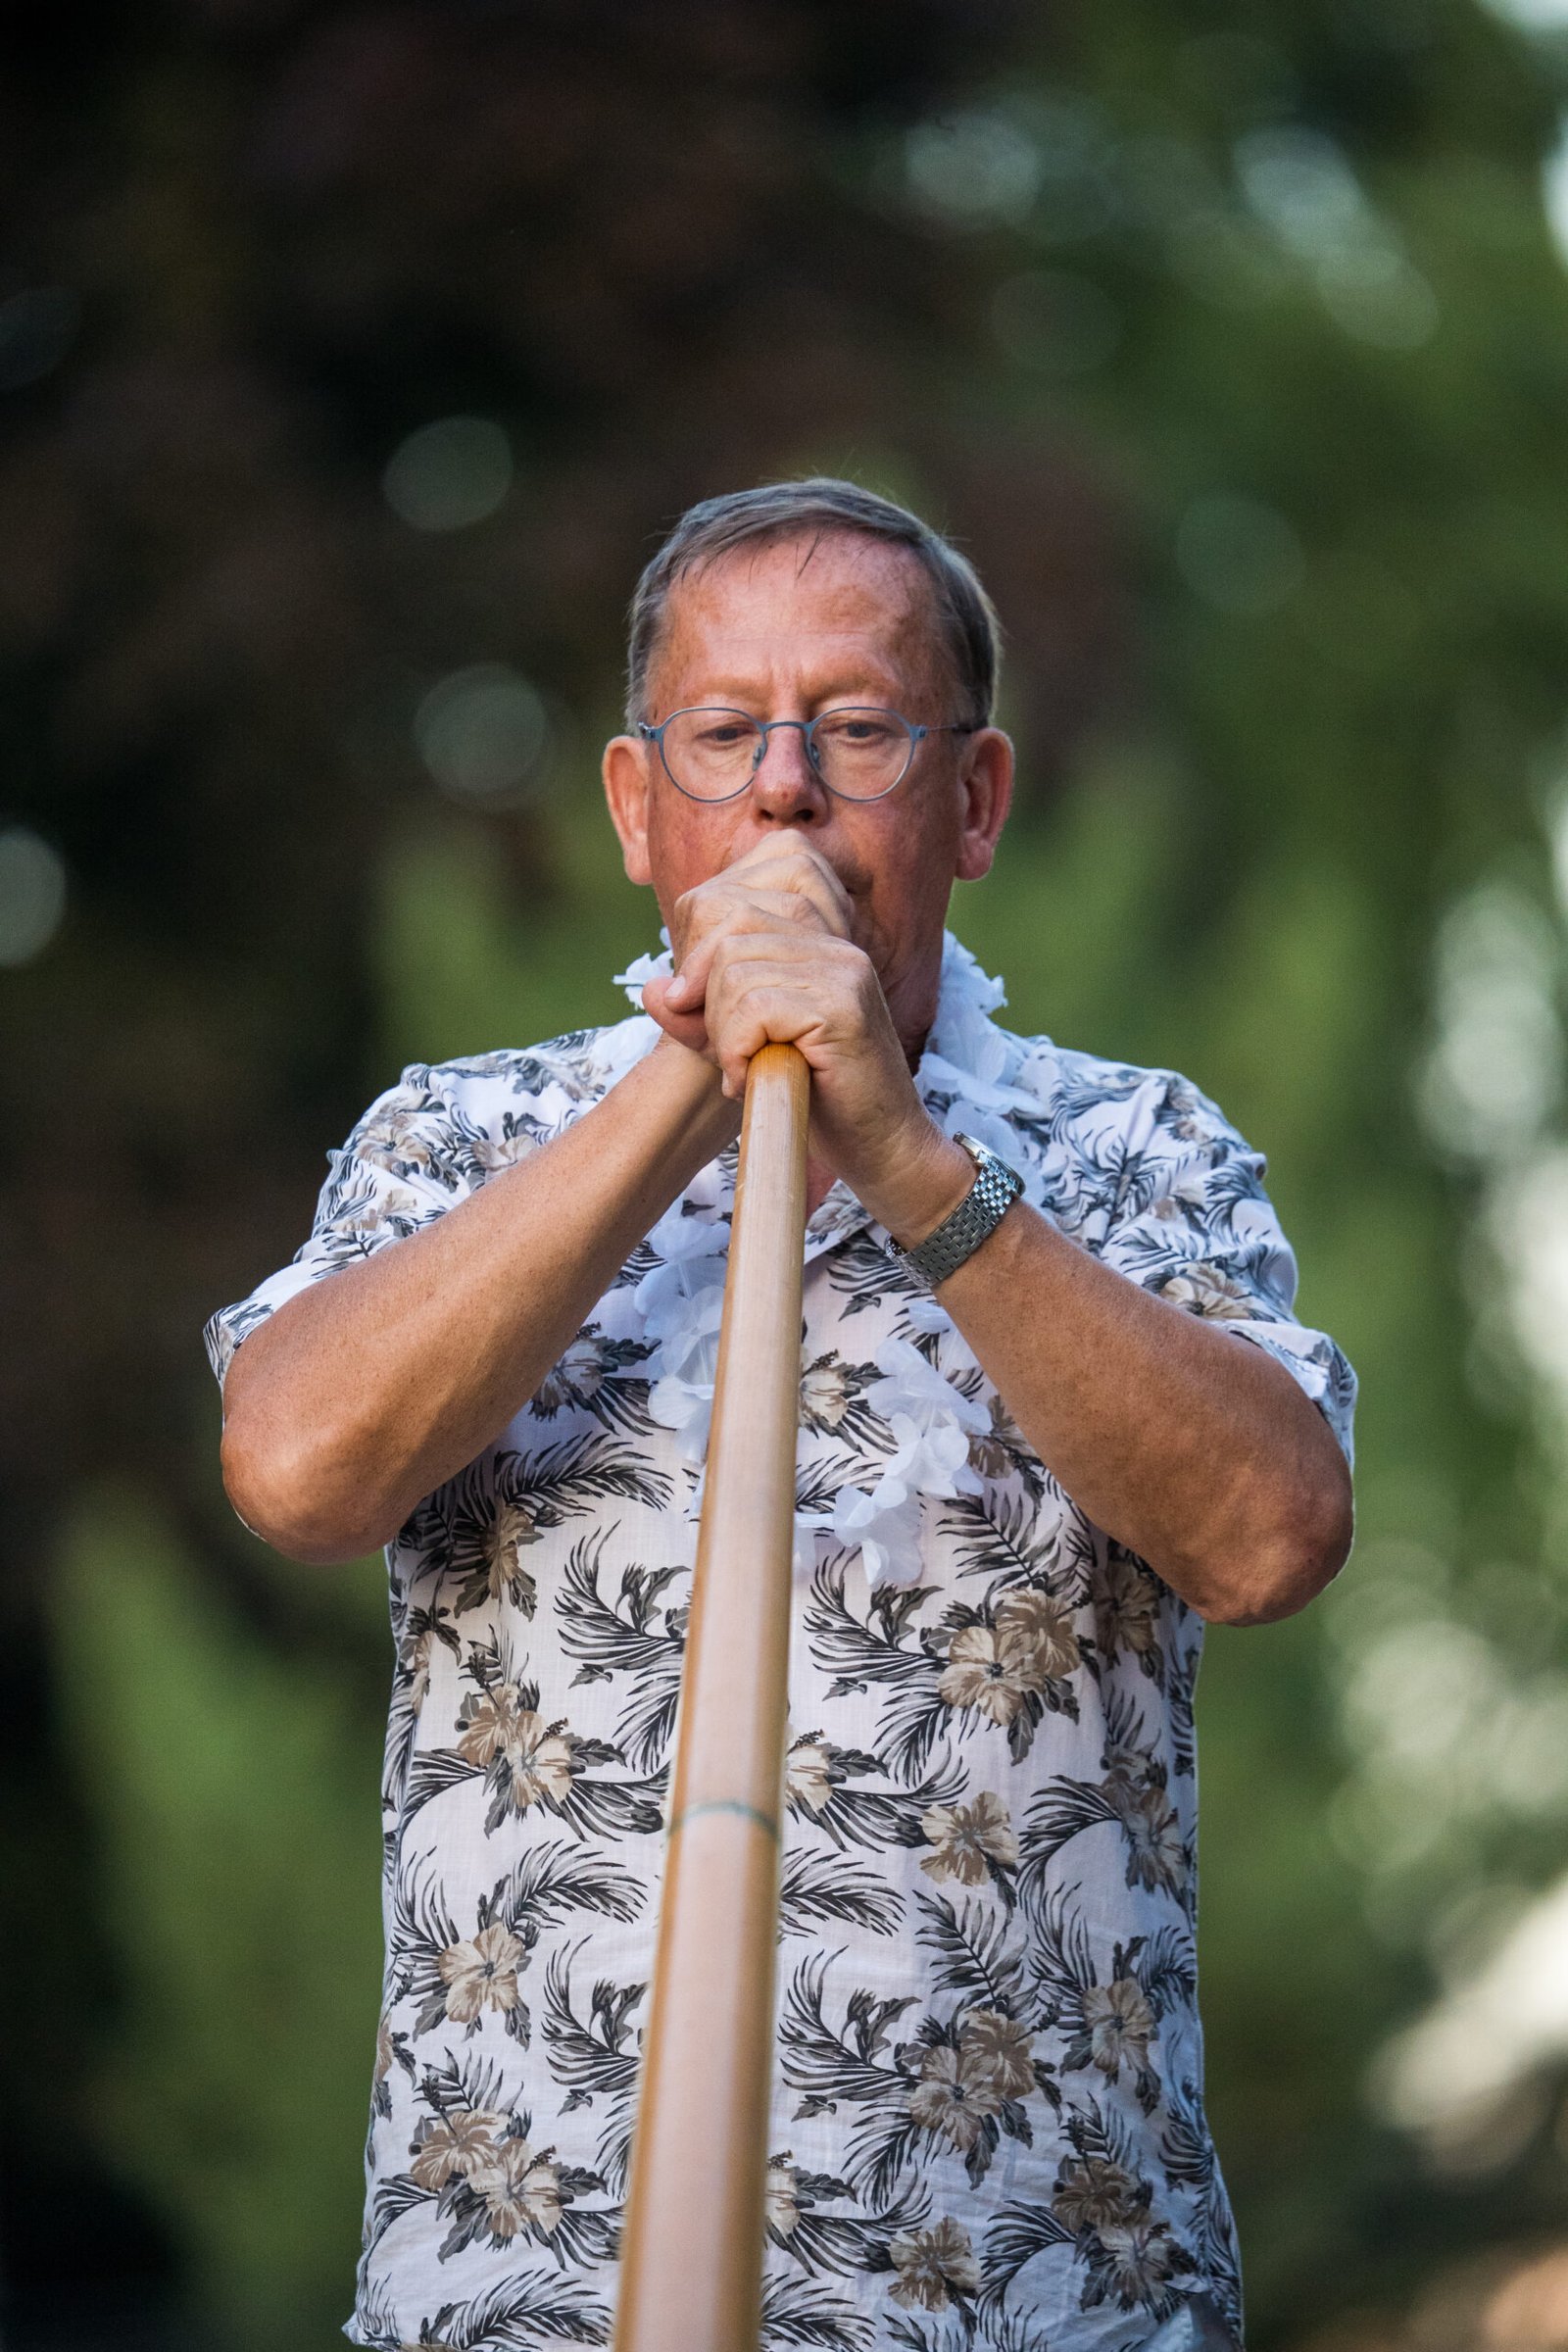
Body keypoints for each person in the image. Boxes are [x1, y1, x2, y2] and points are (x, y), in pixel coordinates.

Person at [210, 478, 1355, 2352]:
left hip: (1042, 2299)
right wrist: (690, 1079)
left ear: (973, 802)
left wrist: (902, 1151)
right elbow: (294, 1467)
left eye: (858, 729)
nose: (784, 791)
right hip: (527, 2297)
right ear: (634, 804)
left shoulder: (1137, 1149)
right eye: (725, 734)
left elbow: (1269, 1536)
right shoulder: (459, 1137)